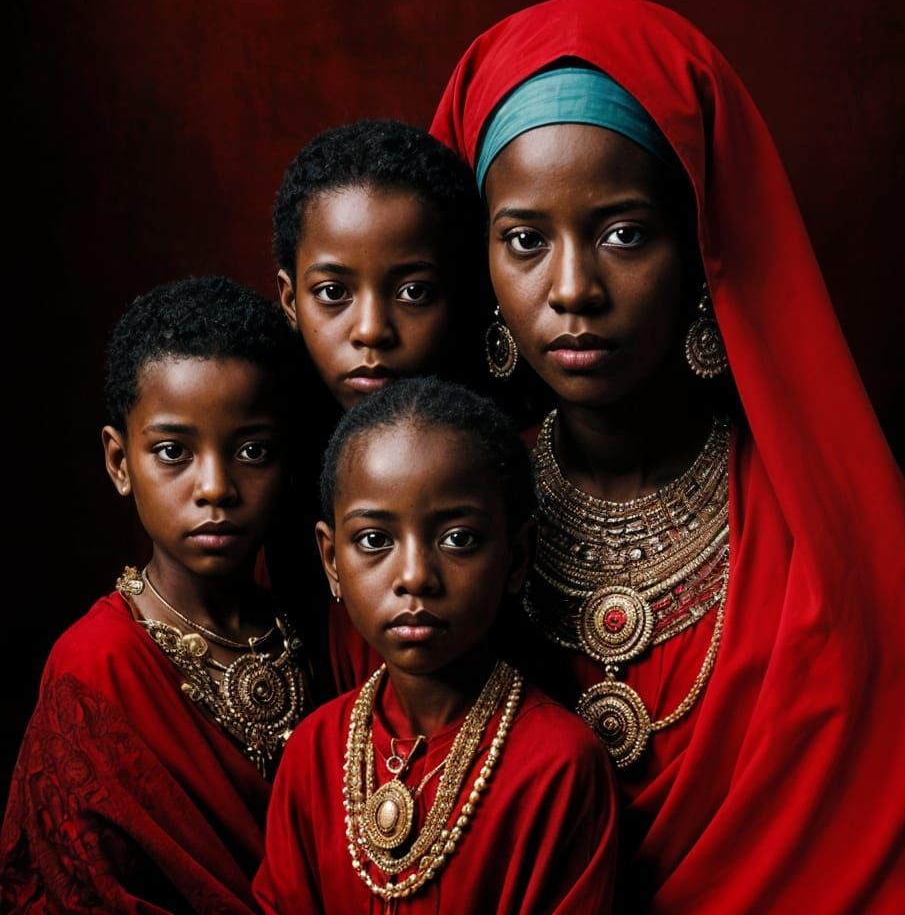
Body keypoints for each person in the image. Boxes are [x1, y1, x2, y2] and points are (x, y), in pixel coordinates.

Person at [429, 0, 905, 913]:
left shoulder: (815, 538)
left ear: (701, 247)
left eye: (623, 234)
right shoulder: (437, 514)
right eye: (524, 240)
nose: (572, 289)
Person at [1, 277, 309, 914]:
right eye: (173, 452)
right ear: (119, 462)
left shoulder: (319, 625)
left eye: (252, 450)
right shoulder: (95, 667)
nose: (215, 487)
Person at [253, 377, 618, 913]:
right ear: (332, 561)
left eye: (458, 539)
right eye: (375, 540)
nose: (415, 576)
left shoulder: (557, 766)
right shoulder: (313, 752)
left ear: (516, 558)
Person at [269, 120, 487, 695]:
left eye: (413, 291)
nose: (371, 331)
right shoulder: (263, 462)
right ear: (290, 299)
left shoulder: (496, 465)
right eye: (333, 293)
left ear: (458, 294)